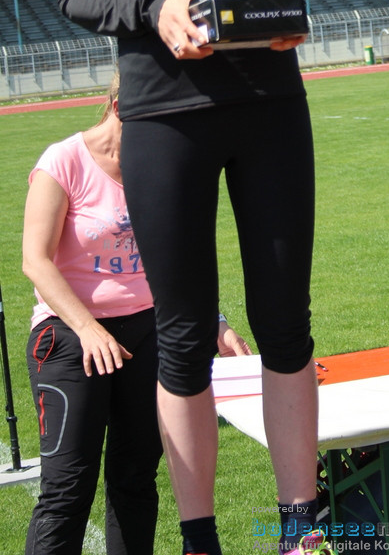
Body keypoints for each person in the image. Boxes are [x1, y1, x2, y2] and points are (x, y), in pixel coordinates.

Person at [51, 0, 318, 555]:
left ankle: (301, 527)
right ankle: (200, 537)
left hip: (268, 101)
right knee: (182, 336)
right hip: (162, 115)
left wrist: (285, 11)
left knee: (285, 324)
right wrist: (151, 7)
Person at [22, 75, 250, 555]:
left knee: (135, 480)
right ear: (121, 106)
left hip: (149, 333)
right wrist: (87, 328)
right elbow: (35, 260)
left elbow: (180, 260)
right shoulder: (63, 161)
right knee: (68, 489)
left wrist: (216, 321)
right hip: (68, 336)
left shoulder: (160, 167)